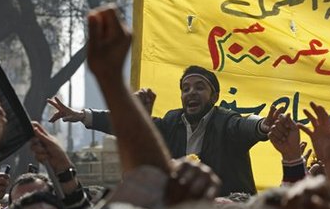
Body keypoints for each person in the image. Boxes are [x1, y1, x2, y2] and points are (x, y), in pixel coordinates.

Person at [48, 66, 279, 196]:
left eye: (200, 87)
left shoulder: (226, 121)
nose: (191, 93)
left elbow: (245, 125)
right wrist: (83, 116)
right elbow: (133, 125)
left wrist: (263, 126)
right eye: (186, 88)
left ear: (215, 96)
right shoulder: (171, 122)